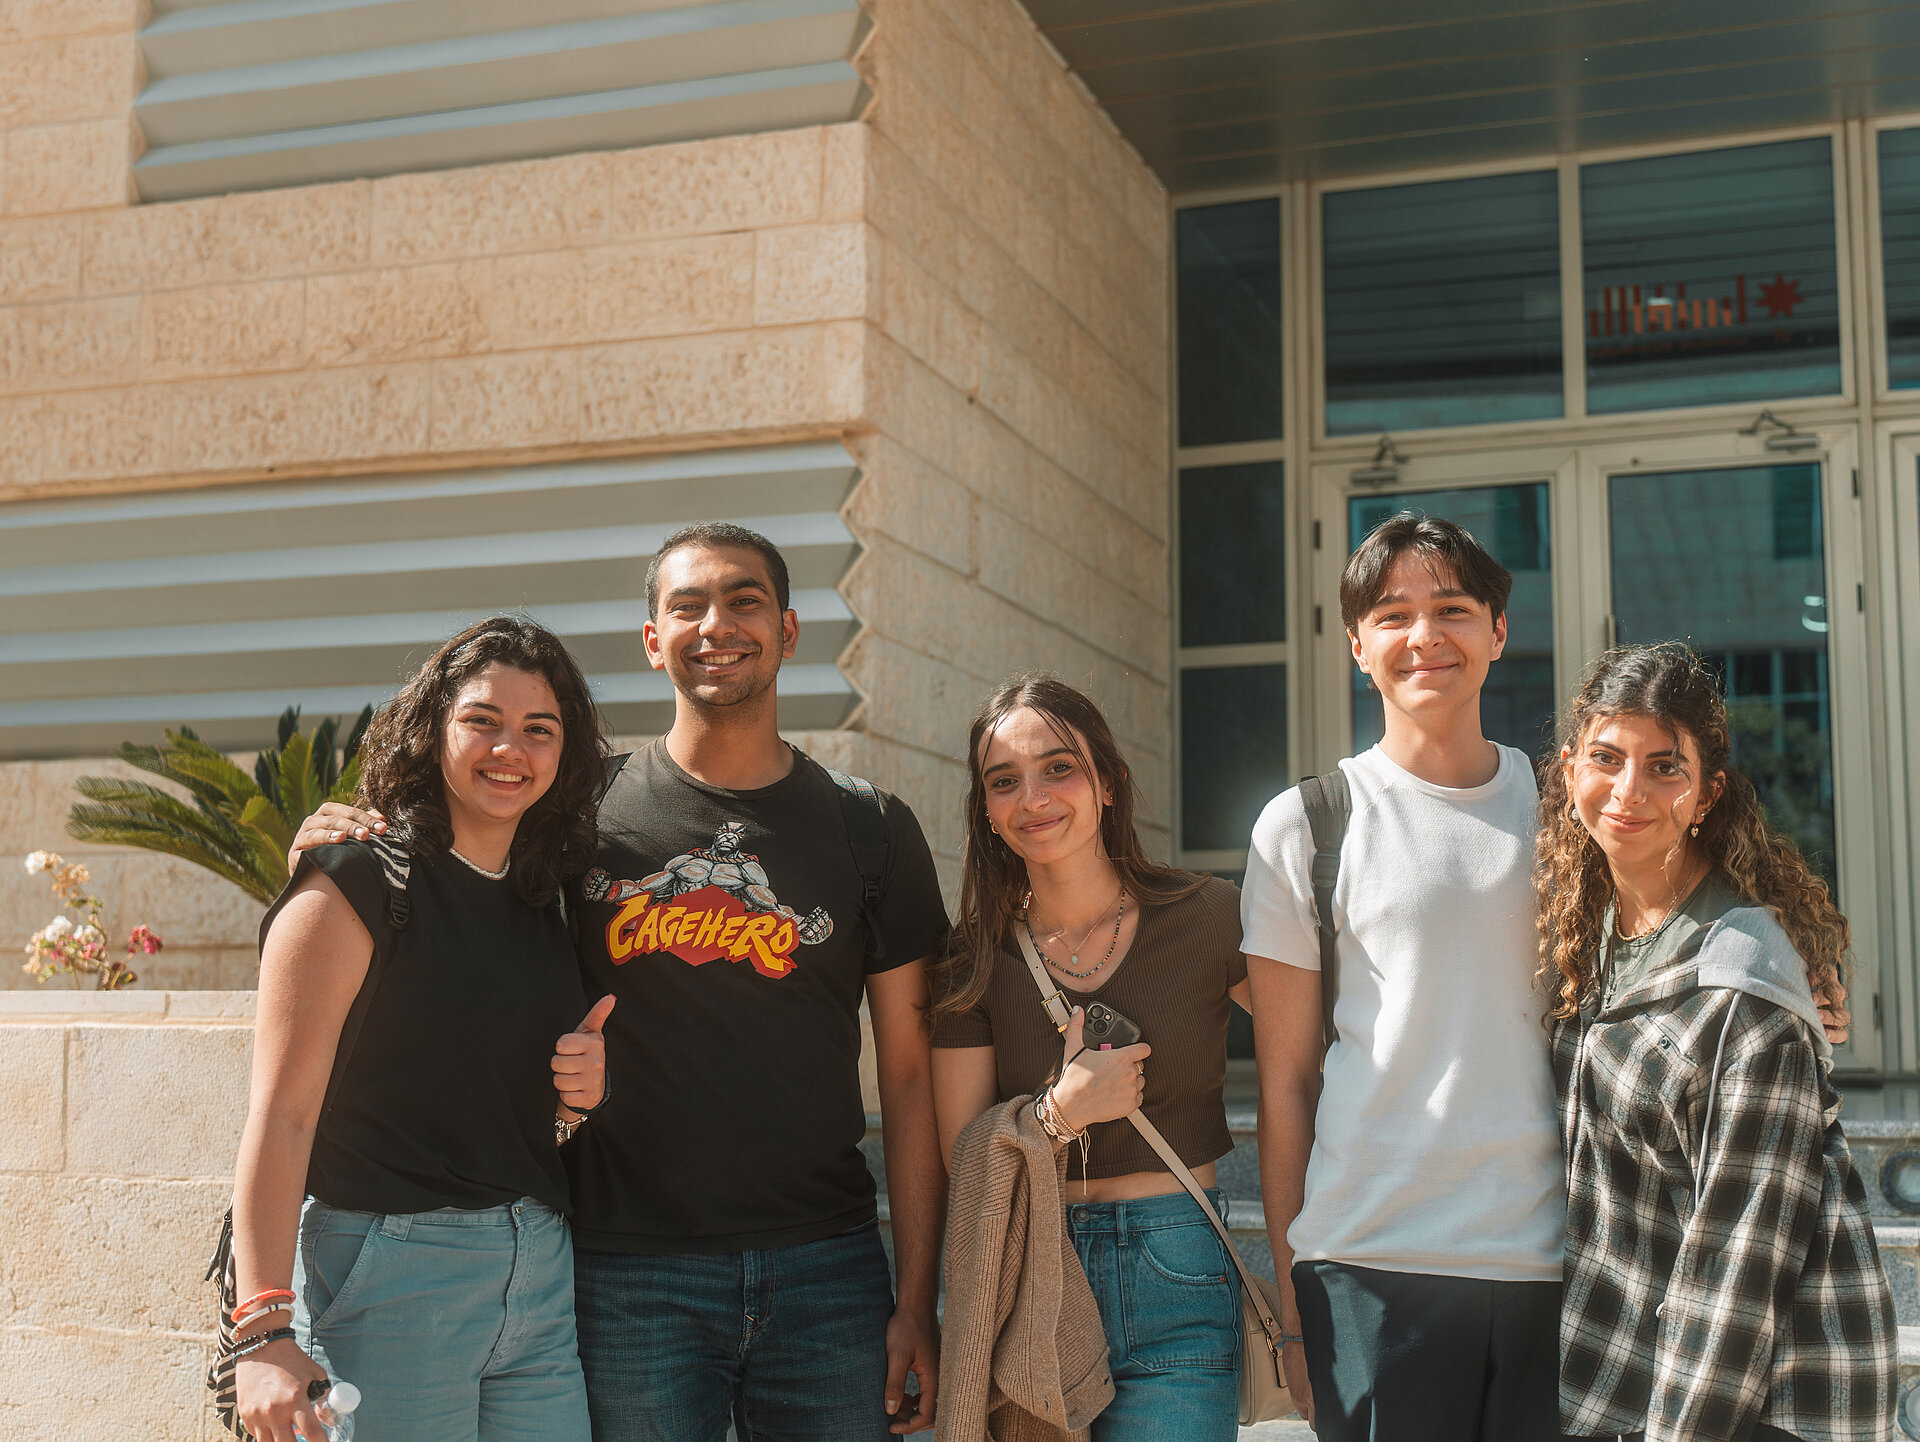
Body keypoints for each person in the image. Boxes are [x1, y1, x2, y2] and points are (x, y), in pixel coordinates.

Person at [291, 522, 951, 1440]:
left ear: (790, 632)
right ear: (653, 642)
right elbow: (452, 886)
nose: (716, 623)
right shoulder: (573, 812)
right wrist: (347, 847)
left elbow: (913, 1075)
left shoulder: (870, 828)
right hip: (623, 1270)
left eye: (744, 600)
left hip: (826, 1271)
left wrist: (918, 1297)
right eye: (687, 605)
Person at [233, 615, 613, 1442]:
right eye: (483, 720)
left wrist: (572, 1105)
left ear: (565, 754)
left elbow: (468, 1095)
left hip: (539, 1275)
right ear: (432, 728)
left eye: (538, 730)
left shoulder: (546, 899)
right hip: (390, 1275)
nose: (509, 748)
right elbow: (281, 1114)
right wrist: (261, 1331)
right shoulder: (352, 878)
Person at [1241, 513, 1569, 1441]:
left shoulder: (1567, 814)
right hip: (1367, 1265)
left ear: (1498, 633)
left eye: (1453, 610)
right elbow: (1286, 1083)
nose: (1424, 636)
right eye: (1392, 615)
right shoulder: (1305, 825)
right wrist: (1297, 1307)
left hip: (1549, 1259)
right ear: (1357, 646)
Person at [1539, 642, 1896, 1442]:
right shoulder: (1586, 931)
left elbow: (1741, 1259)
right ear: (1569, 772)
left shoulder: (1746, 987)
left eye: (1665, 767)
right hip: (1632, 1358)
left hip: (1772, 1393)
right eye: (1607, 758)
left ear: (1706, 794)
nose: (1629, 790)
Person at [930, 673, 1252, 1441]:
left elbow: (1317, 1055)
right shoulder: (972, 957)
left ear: (1109, 783)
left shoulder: (1209, 915)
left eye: (1059, 768)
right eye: (1004, 781)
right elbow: (963, 1155)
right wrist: (1059, 1112)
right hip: (1033, 1270)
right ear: (987, 811)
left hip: (1177, 1259)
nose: (1032, 796)